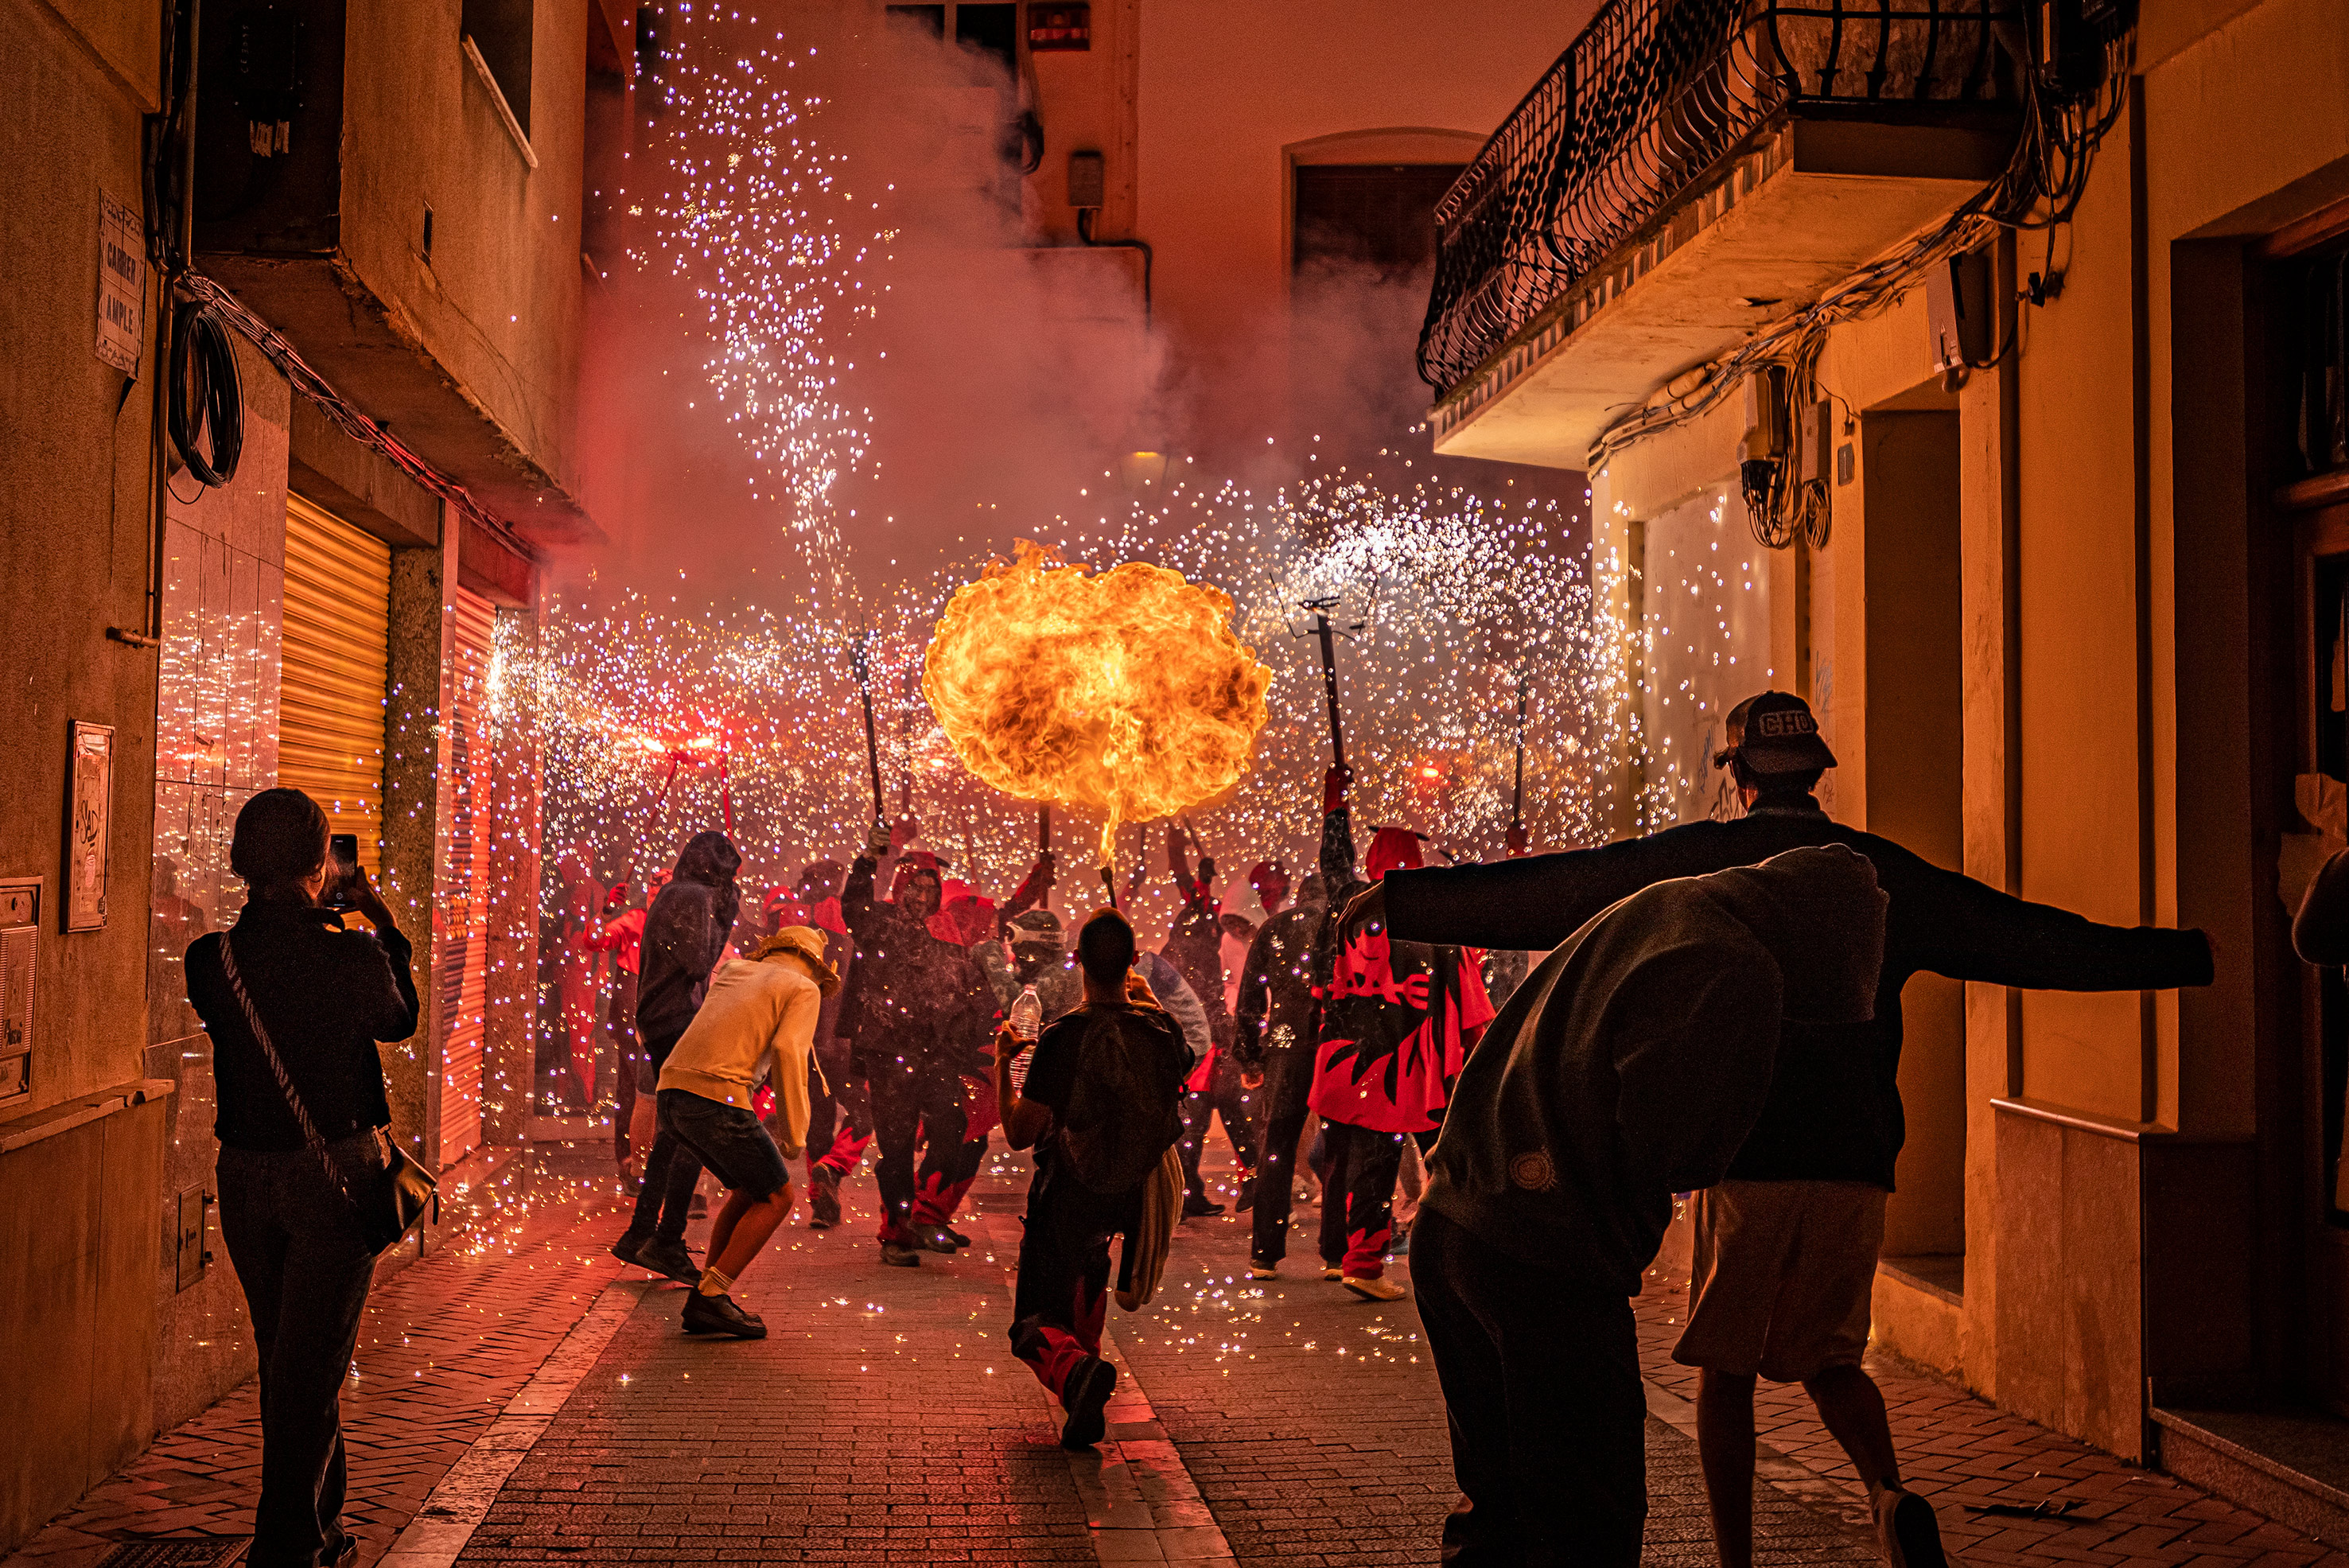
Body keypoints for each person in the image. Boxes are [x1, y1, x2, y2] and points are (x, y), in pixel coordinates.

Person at [1367, 690, 2219, 1566]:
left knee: (1716, 1377)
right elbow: (2016, 936)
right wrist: (2180, 956)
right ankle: (1882, 1488)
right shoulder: (1873, 877)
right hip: (1853, 1163)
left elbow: (1556, 892)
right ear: (1817, 772)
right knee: (1825, 1357)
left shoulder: (1693, 873)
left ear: (1734, 775)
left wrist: (1408, 904)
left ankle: (1736, 1558)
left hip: (1743, 1170)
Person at [1413, 845, 1887, 1566]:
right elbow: (1672, 1140)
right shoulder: (1735, 962)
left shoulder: (1668, 905)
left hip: (1454, 1219)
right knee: (1586, 1516)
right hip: (1547, 1251)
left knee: (1497, 1508)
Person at [184, 788, 420, 1568]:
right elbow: (398, 1020)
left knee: (287, 1354)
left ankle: (320, 1526)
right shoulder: (349, 951)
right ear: (323, 862)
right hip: (335, 1175)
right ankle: (285, 1547)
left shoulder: (210, 960)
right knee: (307, 1370)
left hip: (245, 1178)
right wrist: (378, 923)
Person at [997, 909, 1194, 1447]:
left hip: (1064, 1197)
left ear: (1076, 960)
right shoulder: (1162, 1032)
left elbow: (1019, 1131)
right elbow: (1184, 1062)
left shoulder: (1062, 1038)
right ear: (1133, 962)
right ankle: (1083, 1394)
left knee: (1033, 1324)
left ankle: (1075, 1372)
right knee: (1085, 1289)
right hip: (1125, 1199)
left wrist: (1002, 1065)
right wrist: (1145, 1000)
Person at [1311, 765, 1495, 1301]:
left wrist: (1334, 804)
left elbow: (1333, 864)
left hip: (1360, 1065)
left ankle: (1363, 1262)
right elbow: (1468, 996)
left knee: (1373, 1162)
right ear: (1415, 863)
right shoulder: (1435, 915)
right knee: (1449, 1162)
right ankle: (1456, 1256)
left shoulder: (1348, 904)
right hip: (1423, 1071)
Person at [651, 925, 835, 1336]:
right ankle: (712, 1296)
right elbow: (790, 1052)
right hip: (718, 1097)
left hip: (673, 1092)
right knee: (777, 1196)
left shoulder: (735, 971)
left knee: (748, 1190)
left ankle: (707, 1291)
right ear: (813, 966)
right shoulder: (803, 989)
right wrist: (795, 1132)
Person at [841, 819, 997, 1264]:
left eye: (930, 889)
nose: (920, 896)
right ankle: (896, 1231)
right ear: (899, 887)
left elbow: (965, 992)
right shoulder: (878, 923)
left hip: (935, 1056)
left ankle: (925, 1216)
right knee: (896, 1143)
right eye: (914, 886)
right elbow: (853, 903)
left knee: (951, 1128)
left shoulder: (944, 935)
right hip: (888, 1054)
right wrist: (868, 860)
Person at [611, 831, 743, 1284]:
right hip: (677, 1022)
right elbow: (699, 961)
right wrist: (725, 911)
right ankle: (664, 1239)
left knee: (676, 1130)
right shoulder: (692, 897)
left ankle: (644, 1233)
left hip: (663, 1020)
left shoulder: (675, 892)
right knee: (693, 1132)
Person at [1234, 870, 1332, 1278]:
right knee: (1342, 1144)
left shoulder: (1276, 927)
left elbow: (1250, 997)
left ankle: (1265, 1254)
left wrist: (1250, 1056)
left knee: (1277, 1147)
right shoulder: (1347, 924)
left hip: (1286, 1047)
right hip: (1334, 1043)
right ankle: (1338, 1255)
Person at [588, 869, 668, 1175]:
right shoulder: (635, 920)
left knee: (650, 1088)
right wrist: (606, 910)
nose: (656, 888)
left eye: (664, 884)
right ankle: (631, 1161)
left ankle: (648, 1160)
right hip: (631, 1010)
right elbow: (594, 940)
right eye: (653, 882)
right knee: (636, 1086)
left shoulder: (677, 924)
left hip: (661, 1011)